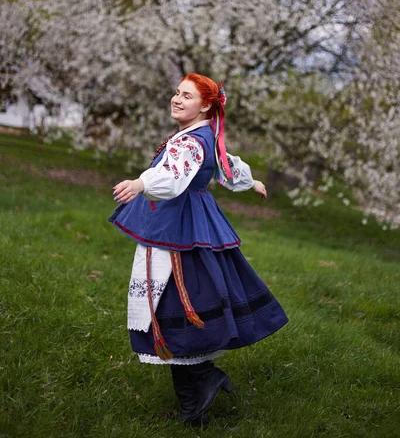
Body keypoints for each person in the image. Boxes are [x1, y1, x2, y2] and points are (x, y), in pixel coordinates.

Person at [109, 73, 288, 427]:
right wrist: (250, 181)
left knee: (170, 298)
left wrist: (142, 181)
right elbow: (224, 162)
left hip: (177, 227)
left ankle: (197, 395)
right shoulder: (202, 135)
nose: (176, 99)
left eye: (186, 95)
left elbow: (176, 175)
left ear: (205, 104)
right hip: (184, 223)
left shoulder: (192, 141)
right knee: (177, 295)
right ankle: (199, 391)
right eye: (176, 92)